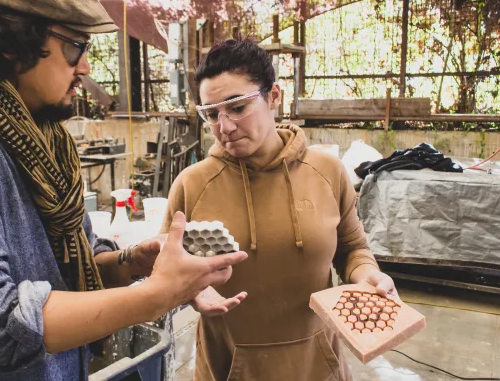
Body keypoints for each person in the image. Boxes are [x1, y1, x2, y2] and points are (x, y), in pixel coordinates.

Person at [0, 0, 247, 380]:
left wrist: (134, 261)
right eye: (74, 47)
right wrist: (154, 297)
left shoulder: (38, 132)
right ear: (11, 42)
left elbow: (72, 259)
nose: (85, 67)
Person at [161, 39, 398, 381]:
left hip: (316, 365)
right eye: (212, 114)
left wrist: (368, 275)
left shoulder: (327, 173)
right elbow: (165, 269)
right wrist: (194, 291)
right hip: (229, 367)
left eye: (237, 107)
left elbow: (353, 250)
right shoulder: (192, 185)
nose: (224, 127)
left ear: (273, 96)